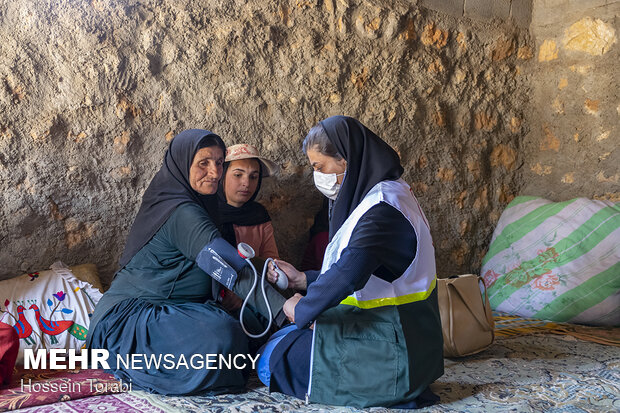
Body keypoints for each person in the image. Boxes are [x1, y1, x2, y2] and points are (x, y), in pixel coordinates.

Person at [261, 116, 444, 408]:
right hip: (402, 341)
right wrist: (303, 279)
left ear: (346, 160)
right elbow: (369, 271)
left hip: (388, 354)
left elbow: (349, 275)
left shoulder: (382, 210)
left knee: (271, 357)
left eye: (320, 167)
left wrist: (302, 308)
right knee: (286, 340)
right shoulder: (387, 196)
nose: (318, 176)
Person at [86, 129, 287, 396]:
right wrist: (286, 310)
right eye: (203, 163)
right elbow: (224, 265)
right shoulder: (182, 210)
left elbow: (231, 257)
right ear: (183, 164)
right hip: (133, 318)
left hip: (181, 310)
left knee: (254, 322)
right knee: (221, 335)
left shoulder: (204, 204)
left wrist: (273, 273)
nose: (215, 173)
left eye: (218, 162)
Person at [217, 143, 281, 315]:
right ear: (222, 176)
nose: (246, 183)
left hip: (255, 297)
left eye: (253, 177)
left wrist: (246, 292)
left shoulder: (259, 216)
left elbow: (271, 261)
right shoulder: (207, 215)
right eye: (238, 175)